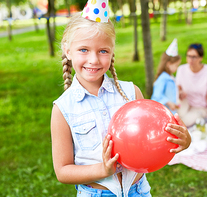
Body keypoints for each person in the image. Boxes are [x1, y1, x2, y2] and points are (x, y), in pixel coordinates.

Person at [50, 1, 191, 197]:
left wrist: (181, 140)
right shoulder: (63, 108)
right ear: (68, 50)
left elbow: (152, 138)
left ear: (112, 51)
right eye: (84, 50)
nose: (94, 59)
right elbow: (63, 171)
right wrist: (103, 170)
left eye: (103, 51)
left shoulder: (131, 93)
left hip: (139, 191)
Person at [176, 43, 207, 127]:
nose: (190, 59)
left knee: (183, 122)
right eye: (188, 56)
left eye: (194, 57)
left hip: (200, 107)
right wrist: (181, 92)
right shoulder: (181, 69)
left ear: (201, 58)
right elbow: (178, 90)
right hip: (185, 101)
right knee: (174, 117)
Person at [151, 38, 181, 114]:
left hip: (171, 112)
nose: (177, 68)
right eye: (176, 65)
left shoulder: (170, 77)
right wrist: (169, 102)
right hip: (164, 113)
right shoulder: (163, 78)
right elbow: (156, 96)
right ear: (168, 64)